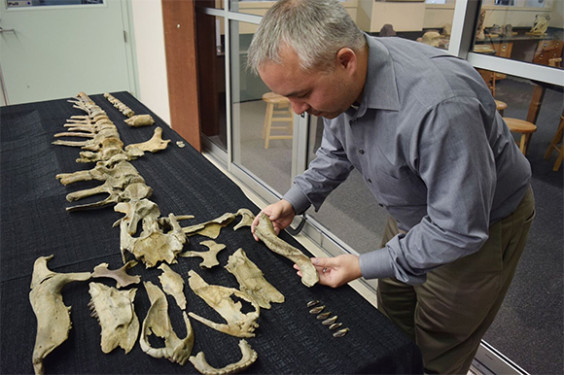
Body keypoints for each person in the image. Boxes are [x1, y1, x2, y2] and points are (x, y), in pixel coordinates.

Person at [247, 0, 535, 373]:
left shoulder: (440, 106)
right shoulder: (343, 84)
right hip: (410, 214)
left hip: (476, 230)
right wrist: (294, 200)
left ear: (346, 61)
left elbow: (457, 229)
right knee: (391, 328)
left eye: (301, 94)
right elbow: (336, 152)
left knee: (437, 347)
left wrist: (363, 264)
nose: (297, 110)